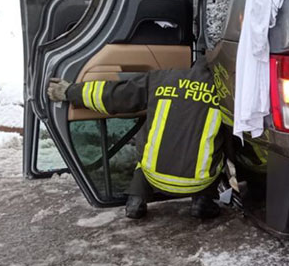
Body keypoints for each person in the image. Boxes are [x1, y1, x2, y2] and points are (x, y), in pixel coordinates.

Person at [47, 59, 227, 220]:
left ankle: (135, 200)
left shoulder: (162, 78)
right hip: (199, 181)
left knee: (148, 146)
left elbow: (114, 95)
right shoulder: (227, 91)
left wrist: (70, 91)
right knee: (218, 141)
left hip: (153, 176)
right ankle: (203, 201)